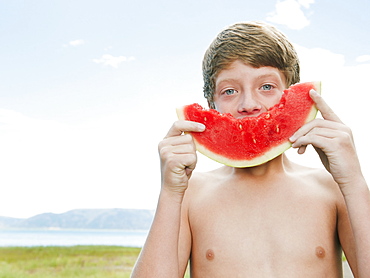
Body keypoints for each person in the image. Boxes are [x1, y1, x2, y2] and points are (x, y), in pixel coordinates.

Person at [131, 21, 370, 277]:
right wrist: (170, 192)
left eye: (266, 86)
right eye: (230, 90)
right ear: (211, 105)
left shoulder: (332, 189)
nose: (248, 104)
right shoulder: (189, 195)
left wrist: (353, 180)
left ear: (291, 95)